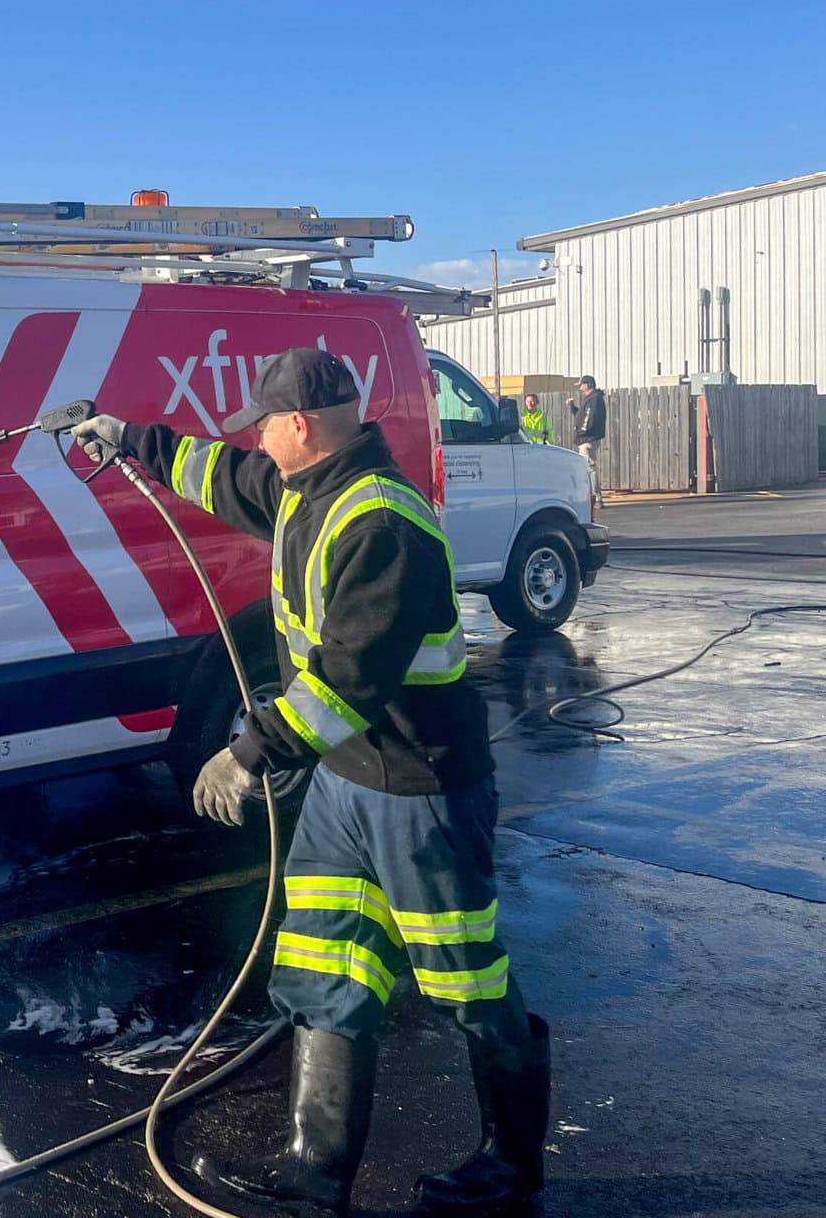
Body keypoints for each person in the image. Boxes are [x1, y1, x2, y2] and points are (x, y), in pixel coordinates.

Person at [73, 349, 550, 1218]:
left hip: (420, 792)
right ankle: (311, 1179)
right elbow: (220, 474)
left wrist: (246, 751)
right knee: (326, 965)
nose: (255, 436)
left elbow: (347, 679)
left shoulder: (384, 523)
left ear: (301, 426)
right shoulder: (305, 487)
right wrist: (127, 437)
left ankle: (510, 1171)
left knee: (465, 980)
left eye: (265, 422)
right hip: (343, 783)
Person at [567, 376, 607, 498]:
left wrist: (581, 432)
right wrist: (573, 408)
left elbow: (589, 419)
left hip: (587, 439)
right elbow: (583, 415)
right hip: (587, 438)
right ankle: (592, 496)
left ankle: (596, 497)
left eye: (581, 385)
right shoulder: (591, 399)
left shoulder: (593, 399)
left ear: (587, 385)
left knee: (589, 467)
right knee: (587, 467)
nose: (579, 387)